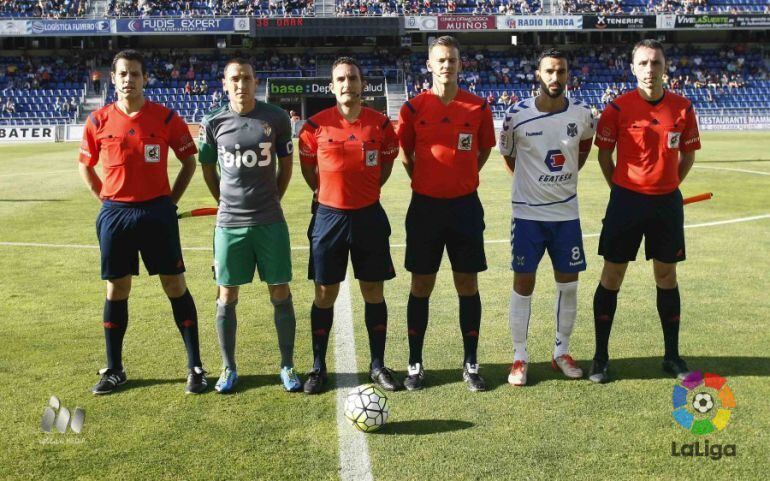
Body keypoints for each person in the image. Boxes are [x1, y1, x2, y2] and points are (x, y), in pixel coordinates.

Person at [78, 50, 206, 395]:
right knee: (117, 289)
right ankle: (114, 369)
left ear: (144, 78)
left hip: (156, 213)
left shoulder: (165, 119)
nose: (128, 79)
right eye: (122, 73)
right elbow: (86, 166)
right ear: (113, 78)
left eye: (135, 73)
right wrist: (105, 200)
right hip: (115, 214)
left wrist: (170, 202)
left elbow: (189, 162)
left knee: (174, 285)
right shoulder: (98, 121)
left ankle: (195, 366)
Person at [591, 39, 701, 383]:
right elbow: (604, 157)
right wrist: (622, 191)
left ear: (664, 67)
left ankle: (671, 356)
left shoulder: (682, 108)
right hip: (626, 201)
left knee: (666, 276)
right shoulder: (618, 109)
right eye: (643, 63)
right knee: (612, 276)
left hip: (666, 203)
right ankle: (600, 357)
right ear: (633, 68)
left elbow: (688, 155)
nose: (649, 70)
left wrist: (668, 186)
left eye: (655, 63)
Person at [398, 36, 495, 392]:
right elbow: (406, 155)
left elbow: (483, 151)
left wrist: (461, 177)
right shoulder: (412, 108)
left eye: (452, 60)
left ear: (460, 64)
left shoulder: (478, 108)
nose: (446, 65)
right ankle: (415, 364)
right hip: (424, 208)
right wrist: (427, 181)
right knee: (421, 284)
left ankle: (470, 363)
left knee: (467, 284)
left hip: (465, 206)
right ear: (429, 64)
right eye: (440, 60)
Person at [298, 56, 401, 395]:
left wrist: (367, 190)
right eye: (340, 79)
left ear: (362, 84)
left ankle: (377, 364)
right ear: (332, 86)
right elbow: (309, 172)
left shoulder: (381, 126)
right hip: (329, 217)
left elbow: (385, 167)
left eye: (353, 78)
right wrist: (329, 193)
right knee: (325, 294)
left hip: (369, 215)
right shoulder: (313, 127)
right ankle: (317, 367)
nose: (347, 84)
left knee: (373, 291)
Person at [198, 57, 301, 394]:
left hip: (270, 220)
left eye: (247, 77)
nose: (241, 84)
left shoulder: (276, 117)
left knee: (280, 291)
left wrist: (275, 198)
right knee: (226, 295)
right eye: (234, 79)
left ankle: (286, 366)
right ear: (225, 84)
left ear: (256, 81)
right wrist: (224, 203)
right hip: (229, 223)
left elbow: (286, 167)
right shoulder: (213, 122)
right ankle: (228, 369)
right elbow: (208, 170)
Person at [498, 49, 596, 386]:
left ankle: (561, 351)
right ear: (538, 75)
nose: (556, 78)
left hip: (567, 215)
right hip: (527, 216)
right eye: (549, 72)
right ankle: (520, 357)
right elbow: (509, 157)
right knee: (523, 284)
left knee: (568, 287)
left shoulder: (583, 115)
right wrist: (530, 187)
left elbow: (584, 148)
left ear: (569, 75)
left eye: (562, 71)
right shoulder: (515, 116)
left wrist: (564, 179)